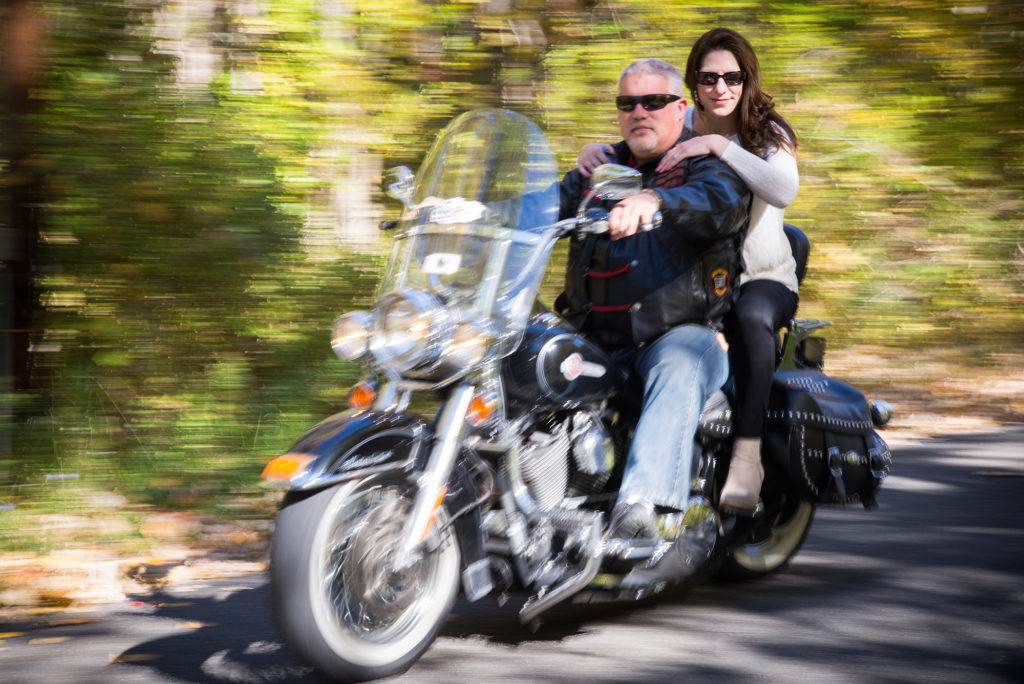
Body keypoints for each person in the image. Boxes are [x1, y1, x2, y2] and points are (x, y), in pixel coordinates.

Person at [577, 29, 799, 514]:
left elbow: (778, 192)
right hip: (708, 274)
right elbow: (640, 145)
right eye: (709, 77)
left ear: (747, 80)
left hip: (758, 272)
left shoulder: (766, 130)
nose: (721, 87)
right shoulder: (678, 122)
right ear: (694, 86)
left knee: (748, 322)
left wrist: (720, 148)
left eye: (732, 77)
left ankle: (746, 454)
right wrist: (596, 157)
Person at [557, 58, 751, 538]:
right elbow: (539, 205)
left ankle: (642, 510)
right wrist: (468, 212)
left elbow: (719, 203)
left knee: (677, 360)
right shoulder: (599, 171)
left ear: (681, 107)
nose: (639, 111)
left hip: (680, 336)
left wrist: (656, 200)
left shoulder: (707, 166)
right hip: (597, 338)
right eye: (628, 103)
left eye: (654, 101)